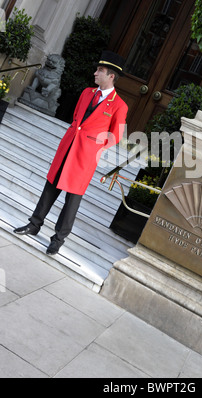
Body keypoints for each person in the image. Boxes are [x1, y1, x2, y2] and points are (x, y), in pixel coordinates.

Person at [14, 50, 128, 255]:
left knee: (72, 200)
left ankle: (57, 240)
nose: (95, 73)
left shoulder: (119, 105)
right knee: (50, 187)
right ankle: (34, 225)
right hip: (68, 147)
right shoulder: (86, 93)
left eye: (100, 70)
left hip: (85, 156)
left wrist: (95, 146)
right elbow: (77, 118)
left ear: (111, 75)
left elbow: (116, 135)